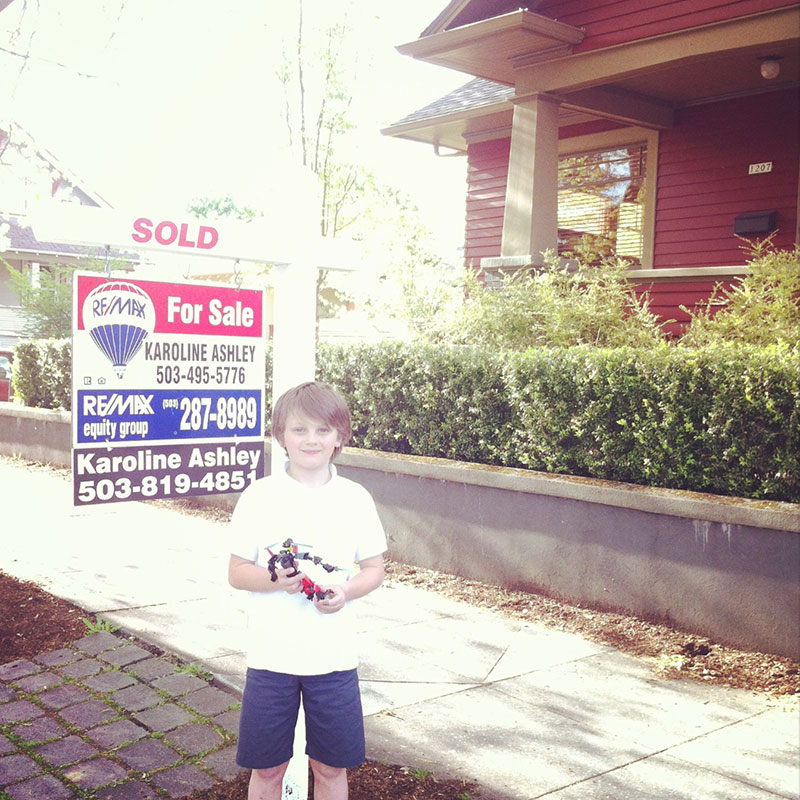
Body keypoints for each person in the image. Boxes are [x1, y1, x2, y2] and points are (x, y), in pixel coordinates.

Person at [228, 381, 387, 800]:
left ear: (339, 437)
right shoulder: (259, 496)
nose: (311, 440)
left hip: (332, 661)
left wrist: (345, 593)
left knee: (331, 769)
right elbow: (237, 571)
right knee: (268, 770)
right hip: (271, 658)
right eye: (299, 430)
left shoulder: (356, 498)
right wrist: (275, 582)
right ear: (281, 435)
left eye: (322, 430)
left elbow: (374, 568)